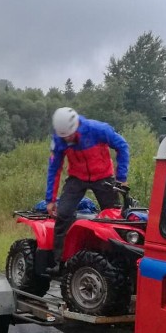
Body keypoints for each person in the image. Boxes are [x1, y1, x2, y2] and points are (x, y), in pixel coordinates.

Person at [45, 107, 129, 275]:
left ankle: (118, 263)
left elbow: (122, 146)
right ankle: (60, 262)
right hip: (77, 178)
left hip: (103, 176)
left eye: (70, 135)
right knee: (63, 214)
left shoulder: (98, 129)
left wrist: (121, 177)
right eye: (64, 136)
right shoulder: (59, 139)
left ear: (76, 126)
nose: (67, 139)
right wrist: (50, 199)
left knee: (114, 217)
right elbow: (54, 168)